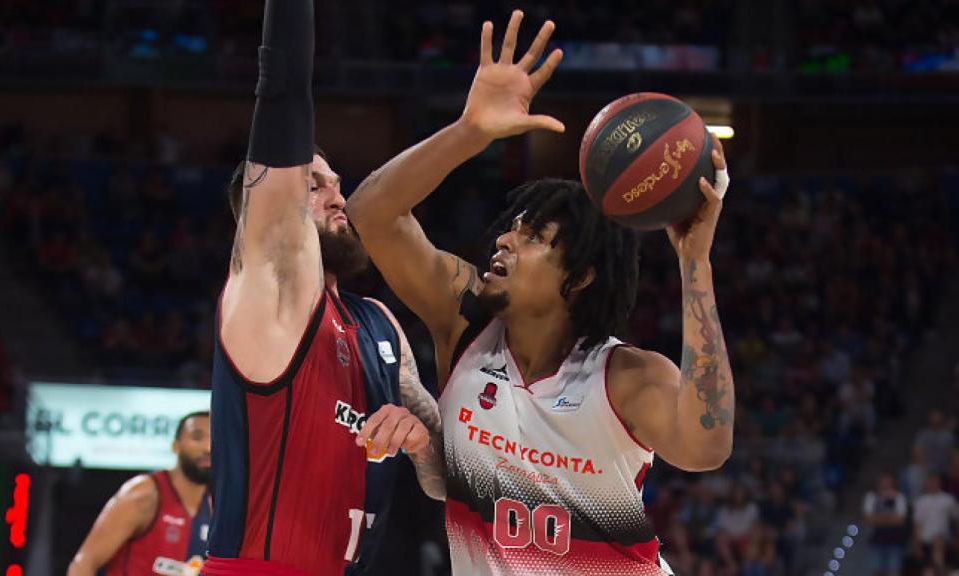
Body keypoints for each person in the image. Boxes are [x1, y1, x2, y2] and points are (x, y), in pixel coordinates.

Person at [348, 10, 733, 574]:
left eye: (532, 237)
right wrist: (470, 132)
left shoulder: (623, 377)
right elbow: (371, 212)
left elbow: (706, 448)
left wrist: (694, 263)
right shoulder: (466, 325)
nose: (503, 239)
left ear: (579, 276)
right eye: (512, 225)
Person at [204, 1, 439, 573]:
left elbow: (445, 483)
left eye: (337, 182)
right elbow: (283, 91)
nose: (338, 196)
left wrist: (422, 440)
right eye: (313, 185)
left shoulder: (378, 323)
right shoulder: (270, 292)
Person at [68, 411, 212, 576]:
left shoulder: (215, 506)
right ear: (175, 446)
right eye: (197, 437)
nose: (208, 447)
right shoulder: (144, 493)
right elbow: (84, 562)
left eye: (215, 440)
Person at [862, 472, 907, 576]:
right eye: (884, 482)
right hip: (876, 540)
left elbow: (900, 520)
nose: (886, 485)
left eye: (889, 482)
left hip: (895, 541)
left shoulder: (899, 497)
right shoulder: (871, 497)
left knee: (893, 571)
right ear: (879, 483)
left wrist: (879, 518)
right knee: (876, 571)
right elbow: (868, 519)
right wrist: (890, 518)